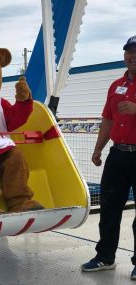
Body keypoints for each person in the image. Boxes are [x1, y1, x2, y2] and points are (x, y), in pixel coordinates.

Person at [81, 35, 136, 280]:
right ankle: (105, 256)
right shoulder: (115, 85)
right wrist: (97, 149)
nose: (133, 56)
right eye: (129, 51)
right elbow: (108, 119)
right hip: (117, 155)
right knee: (109, 208)